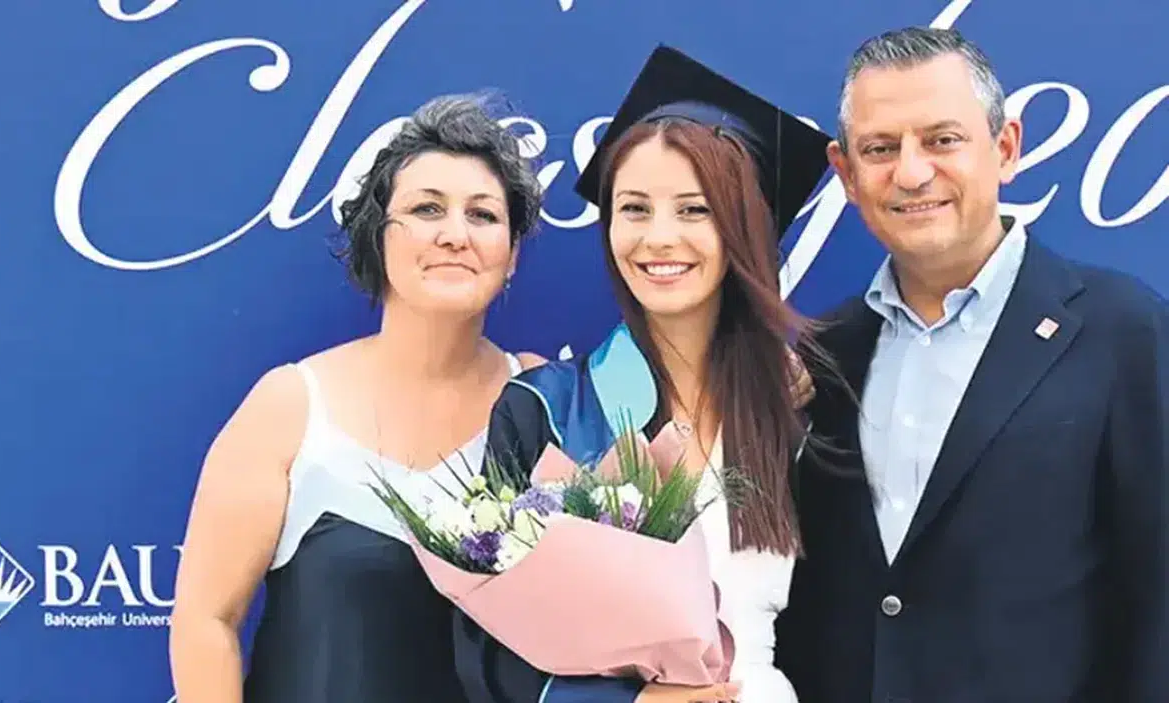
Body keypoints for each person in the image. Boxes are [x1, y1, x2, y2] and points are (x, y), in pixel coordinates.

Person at [773, 27, 1169, 703]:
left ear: (1006, 148)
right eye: (880, 148)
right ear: (845, 173)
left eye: (942, 139)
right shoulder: (825, 355)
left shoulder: (1124, 331)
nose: (911, 172)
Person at [453, 46, 834, 703]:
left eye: (695, 209)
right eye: (634, 208)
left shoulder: (798, 416)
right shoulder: (546, 411)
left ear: (743, 228)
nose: (658, 237)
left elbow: (840, 628)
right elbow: (482, 645)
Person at [168, 94, 549, 703]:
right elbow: (205, 622)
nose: (455, 235)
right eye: (426, 209)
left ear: (511, 256)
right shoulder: (291, 407)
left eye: (483, 215)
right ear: (377, 238)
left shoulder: (544, 400)